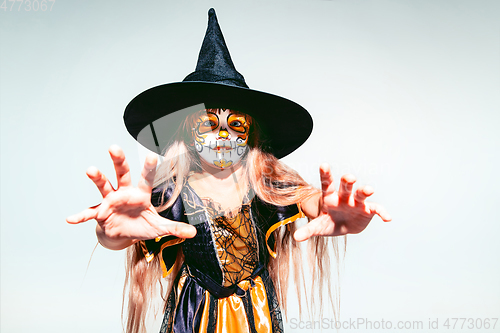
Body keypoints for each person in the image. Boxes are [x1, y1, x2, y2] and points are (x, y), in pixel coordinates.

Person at [67, 8, 391, 333]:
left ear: (252, 133)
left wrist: (330, 208)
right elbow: (132, 226)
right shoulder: (173, 194)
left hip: (256, 312)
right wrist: (109, 234)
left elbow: (306, 198)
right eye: (208, 123)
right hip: (195, 315)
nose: (223, 135)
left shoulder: (264, 184)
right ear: (184, 132)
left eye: (235, 124)